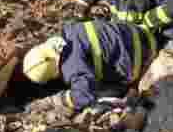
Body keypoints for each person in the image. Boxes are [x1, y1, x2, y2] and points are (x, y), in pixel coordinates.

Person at [22, 19, 162, 114]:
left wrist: (59, 100)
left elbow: (83, 95)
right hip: (139, 33)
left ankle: (127, 93)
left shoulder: (71, 65)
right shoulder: (69, 31)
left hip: (141, 57)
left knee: (97, 96)